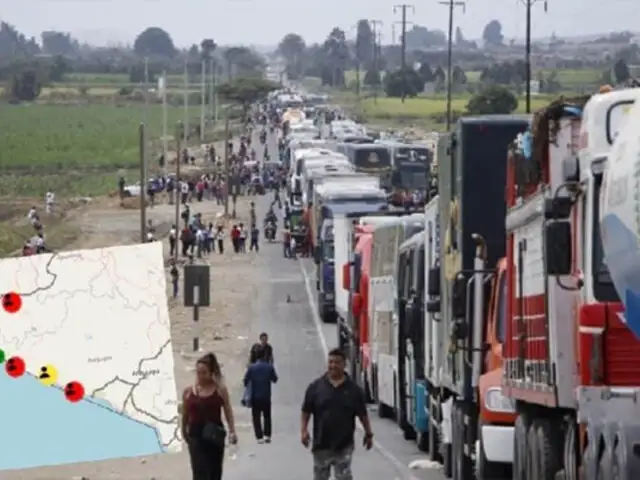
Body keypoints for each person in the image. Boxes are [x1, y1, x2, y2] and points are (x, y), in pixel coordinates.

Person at [300, 348, 373, 480]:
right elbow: (306, 411)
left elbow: (362, 414)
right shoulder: (315, 387)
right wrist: (303, 431)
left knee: (344, 476)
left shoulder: (354, 390)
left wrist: (368, 434)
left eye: (337, 362)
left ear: (344, 364)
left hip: (344, 444)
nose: (333, 365)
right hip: (321, 443)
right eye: (330, 362)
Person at [182, 352, 237, 480]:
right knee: (199, 473)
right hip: (195, 435)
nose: (200, 375)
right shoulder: (189, 392)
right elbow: (185, 413)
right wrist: (183, 431)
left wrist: (232, 431)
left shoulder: (220, 390)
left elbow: (227, 410)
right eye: (198, 372)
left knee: (214, 472)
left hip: (214, 436)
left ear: (211, 372)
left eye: (204, 372)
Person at [243, 347, 278, 444]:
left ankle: (259, 436)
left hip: (255, 396)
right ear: (264, 355)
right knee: (267, 416)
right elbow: (275, 379)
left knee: (256, 417)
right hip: (266, 396)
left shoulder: (252, 368)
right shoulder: (269, 367)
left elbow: (245, 381)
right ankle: (267, 435)